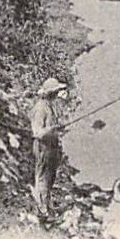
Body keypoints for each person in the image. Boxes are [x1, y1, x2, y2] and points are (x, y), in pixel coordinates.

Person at [29, 77, 68, 220]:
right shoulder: (40, 109)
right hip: (42, 147)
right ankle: (42, 210)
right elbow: (37, 132)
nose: (58, 94)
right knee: (42, 178)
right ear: (50, 93)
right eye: (56, 91)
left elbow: (51, 127)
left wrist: (58, 129)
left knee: (50, 177)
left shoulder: (49, 106)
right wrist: (53, 129)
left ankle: (48, 206)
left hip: (51, 147)